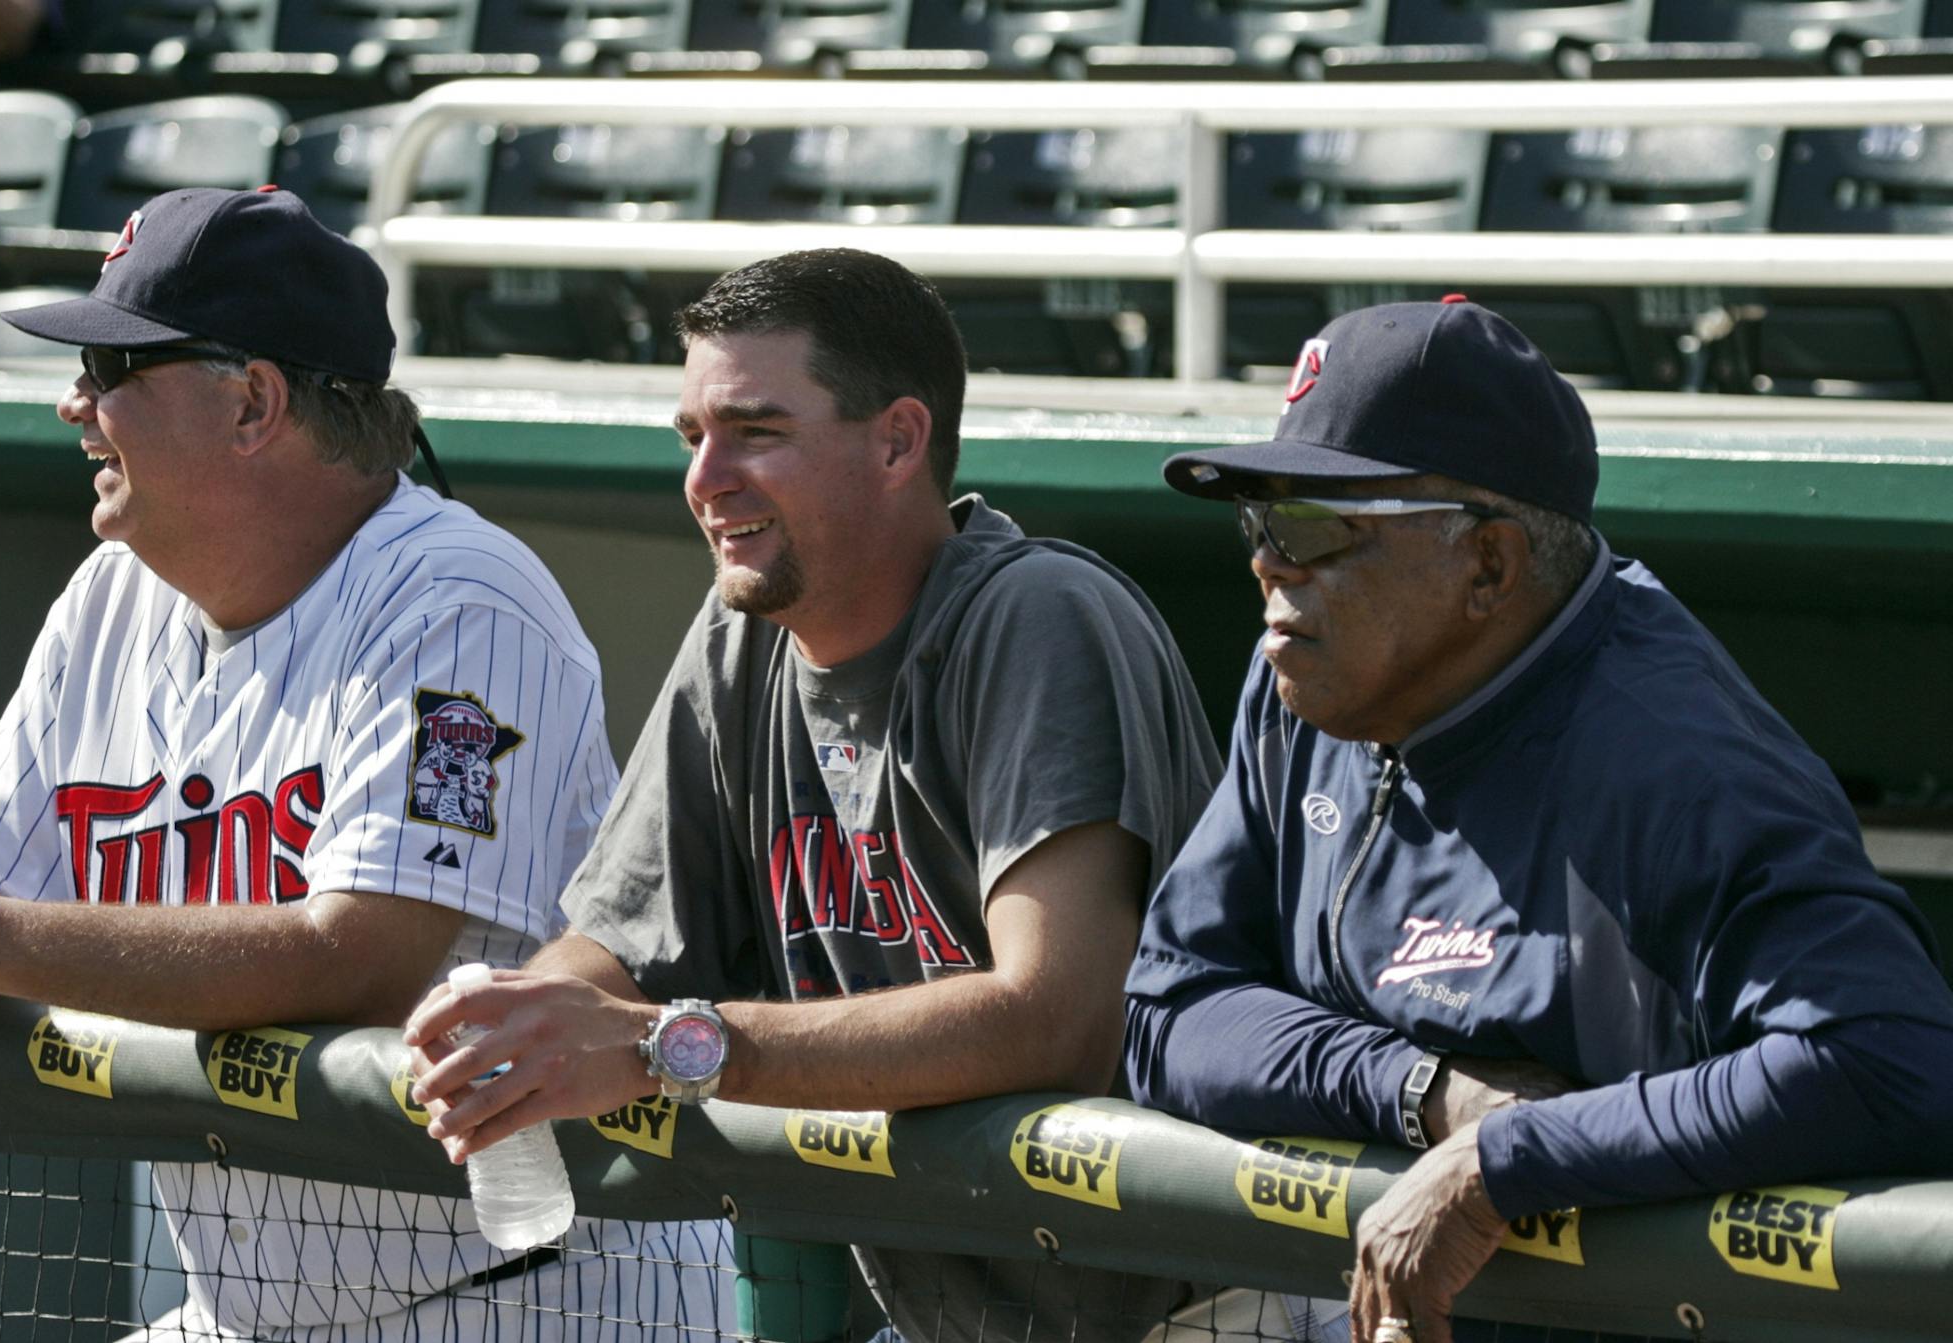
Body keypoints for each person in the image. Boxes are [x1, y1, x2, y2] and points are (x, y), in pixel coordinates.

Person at [0, 186, 729, 1342]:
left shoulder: (461, 603)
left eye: (113, 366)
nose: (74, 402)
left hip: (538, 1296)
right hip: (258, 1307)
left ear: (253, 401)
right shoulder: (112, 600)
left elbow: (368, 958)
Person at [401, 247, 1226, 1343]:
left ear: (896, 439)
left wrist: (668, 1047)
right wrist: (522, 1015)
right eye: (693, 437)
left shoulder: (1038, 617)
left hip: (1206, 1302)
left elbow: (1058, 1013)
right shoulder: (741, 640)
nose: (705, 480)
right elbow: (625, 944)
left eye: (757, 430)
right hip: (956, 1317)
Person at [1122, 297, 1953, 1343]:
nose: (1267, 566)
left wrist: (1507, 1159)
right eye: (1256, 521)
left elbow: (1889, 1059)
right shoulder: (1306, 688)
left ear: (1490, 565)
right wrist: (1426, 1094)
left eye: (1312, 524)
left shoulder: (1671, 756)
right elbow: (1169, 1005)